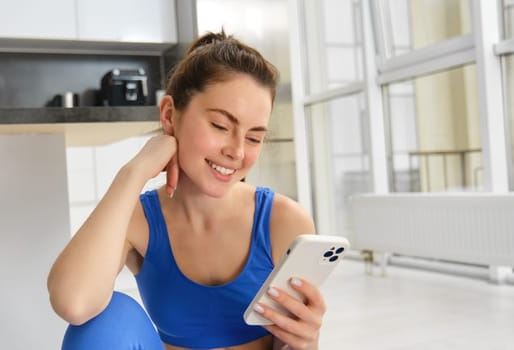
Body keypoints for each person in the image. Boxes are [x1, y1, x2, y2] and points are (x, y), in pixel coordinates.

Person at [47, 30, 325, 350]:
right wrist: (133, 172)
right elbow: (74, 303)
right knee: (108, 319)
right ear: (169, 115)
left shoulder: (283, 222)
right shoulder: (139, 220)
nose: (237, 151)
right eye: (221, 126)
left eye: (253, 138)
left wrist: (306, 342)